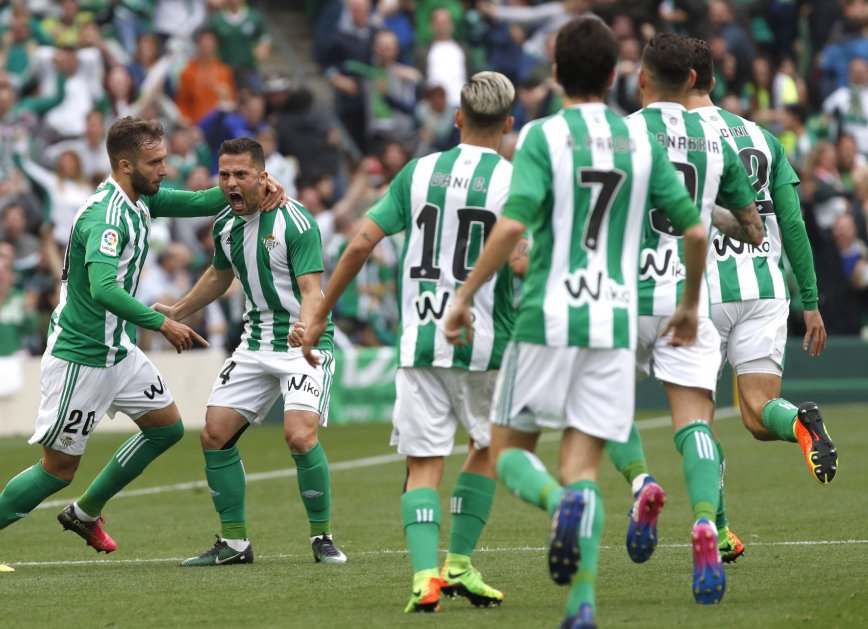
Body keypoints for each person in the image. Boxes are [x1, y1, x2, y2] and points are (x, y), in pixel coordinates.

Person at [442, 18, 707, 627]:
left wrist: (465, 294)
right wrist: (690, 305)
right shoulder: (638, 140)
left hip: (546, 316)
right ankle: (582, 606)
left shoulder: (541, 136)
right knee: (585, 466)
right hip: (612, 321)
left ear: (556, 71)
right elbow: (695, 229)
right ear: (616, 76)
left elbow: (512, 227)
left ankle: (559, 505)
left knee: (506, 449)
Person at [0, 117, 286, 572]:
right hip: (82, 357)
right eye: (156, 162)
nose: (165, 169)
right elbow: (104, 288)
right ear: (126, 165)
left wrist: (261, 185)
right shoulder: (106, 216)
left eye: (165, 159)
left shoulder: (141, 198)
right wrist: (163, 324)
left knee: (167, 428)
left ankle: (85, 513)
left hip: (118, 350)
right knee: (57, 470)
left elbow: (201, 200)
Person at [303, 71, 524, 613]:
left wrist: (319, 315)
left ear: (457, 119)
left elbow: (358, 246)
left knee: (424, 462)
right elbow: (521, 258)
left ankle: (425, 577)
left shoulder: (419, 172)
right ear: (509, 124)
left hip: (419, 341)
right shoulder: (513, 179)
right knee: (488, 447)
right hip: (485, 338)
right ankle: (461, 562)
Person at [602, 33, 762, 605]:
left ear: (640, 79)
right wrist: (703, 212)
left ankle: (642, 483)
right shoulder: (714, 137)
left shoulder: (620, 132)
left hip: (620, 294)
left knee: (605, 409)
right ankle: (703, 525)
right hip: (687, 298)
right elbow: (753, 228)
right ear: (693, 80)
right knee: (694, 423)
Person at [157, 137, 346, 568]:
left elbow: (312, 290)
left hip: (302, 345)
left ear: (263, 176)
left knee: (299, 436)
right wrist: (178, 311)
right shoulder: (225, 224)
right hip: (255, 343)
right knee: (214, 434)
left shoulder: (296, 222)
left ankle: (322, 536)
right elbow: (219, 276)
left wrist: (309, 327)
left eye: (240, 174)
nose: (230, 183)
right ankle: (235, 544)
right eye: (224, 174)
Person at [687, 37, 835, 555]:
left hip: (702, 291)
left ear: (679, 79)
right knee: (757, 412)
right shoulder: (762, 137)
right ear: (712, 78)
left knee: (696, 418)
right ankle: (798, 421)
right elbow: (792, 224)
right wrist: (810, 302)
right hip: (766, 289)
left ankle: (720, 528)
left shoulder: (671, 136)